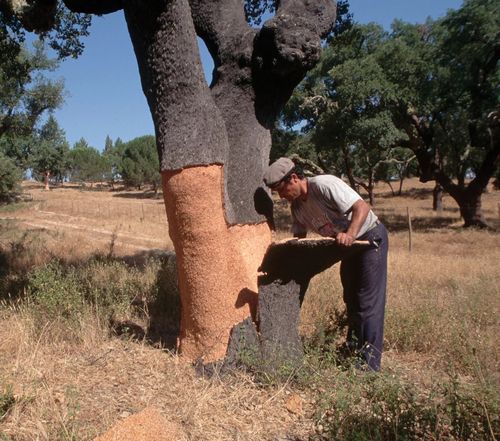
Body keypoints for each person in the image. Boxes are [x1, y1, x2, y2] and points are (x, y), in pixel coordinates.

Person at [263, 157, 388, 371]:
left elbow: (362, 207)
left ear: (293, 178)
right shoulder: (297, 209)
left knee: (367, 302)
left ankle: (369, 367)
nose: (281, 196)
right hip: (346, 248)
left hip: (369, 239)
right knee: (351, 298)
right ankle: (353, 351)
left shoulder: (323, 185)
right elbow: (299, 240)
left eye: (281, 190)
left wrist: (350, 234)